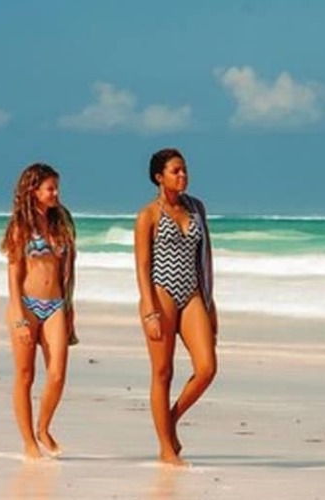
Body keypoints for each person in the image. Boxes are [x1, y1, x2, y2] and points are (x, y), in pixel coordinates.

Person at [134, 148, 218, 466]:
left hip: (193, 293)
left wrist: (211, 305)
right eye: (175, 171)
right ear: (160, 177)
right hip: (161, 293)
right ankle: (166, 449)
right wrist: (150, 311)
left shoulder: (197, 208)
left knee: (207, 368)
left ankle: (169, 421)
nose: (183, 175)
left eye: (184, 170)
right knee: (163, 372)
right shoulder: (148, 215)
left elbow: (204, 260)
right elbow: (142, 266)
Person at [0, 163, 78, 460]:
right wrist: (19, 316)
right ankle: (29, 442)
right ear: (33, 190)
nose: (56, 193)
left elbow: (67, 269)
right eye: (50, 188)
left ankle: (43, 427)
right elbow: (14, 275)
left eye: (56, 188)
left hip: (56, 304)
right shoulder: (21, 226)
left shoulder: (62, 222)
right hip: (26, 305)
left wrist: (69, 307)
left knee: (57, 374)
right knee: (25, 374)